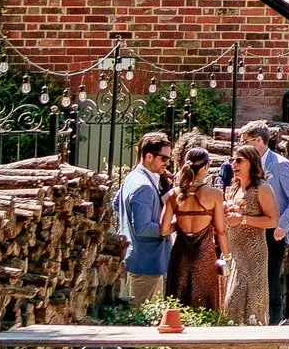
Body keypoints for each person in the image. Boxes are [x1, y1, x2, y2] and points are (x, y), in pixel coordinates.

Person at [236, 124, 289, 325]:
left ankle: (274, 324)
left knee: (271, 279)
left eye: (246, 141)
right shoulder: (248, 165)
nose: (243, 146)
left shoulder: (280, 164)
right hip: (251, 230)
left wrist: (282, 226)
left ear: (259, 140)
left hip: (272, 230)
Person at [221, 146, 279, 325]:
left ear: (251, 163)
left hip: (254, 252)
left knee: (250, 300)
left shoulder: (262, 188)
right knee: (231, 302)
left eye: (239, 160)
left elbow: (273, 220)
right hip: (234, 251)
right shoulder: (232, 189)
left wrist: (244, 219)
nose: (234, 164)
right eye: (232, 160)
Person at [164, 146, 225, 310]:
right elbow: (221, 230)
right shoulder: (215, 194)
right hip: (204, 256)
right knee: (205, 305)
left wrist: (181, 221)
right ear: (206, 167)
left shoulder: (173, 194)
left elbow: (163, 229)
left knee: (177, 305)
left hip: (179, 256)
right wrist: (227, 255)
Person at [115, 133, 174, 302]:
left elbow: (115, 203)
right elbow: (143, 228)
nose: (167, 163)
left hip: (135, 257)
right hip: (147, 263)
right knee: (142, 320)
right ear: (149, 156)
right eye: (164, 158)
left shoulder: (132, 178)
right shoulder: (144, 186)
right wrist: (172, 226)